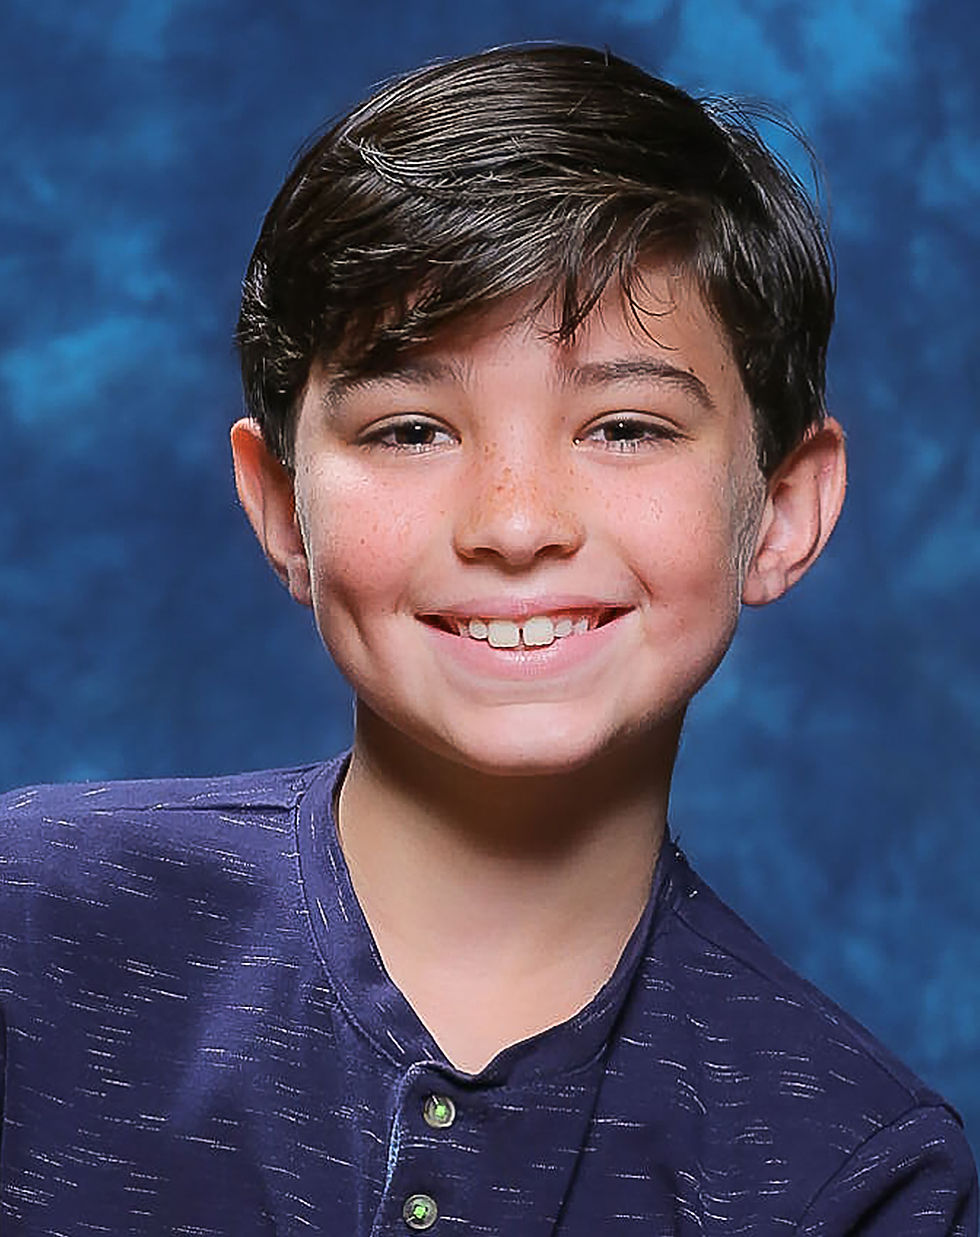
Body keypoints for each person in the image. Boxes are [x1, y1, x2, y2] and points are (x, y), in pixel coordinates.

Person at [0, 43, 975, 1235]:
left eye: (623, 426)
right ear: (283, 507)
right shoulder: (30, 926)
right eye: (410, 430)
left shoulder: (853, 1168)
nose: (514, 525)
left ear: (779, 509)